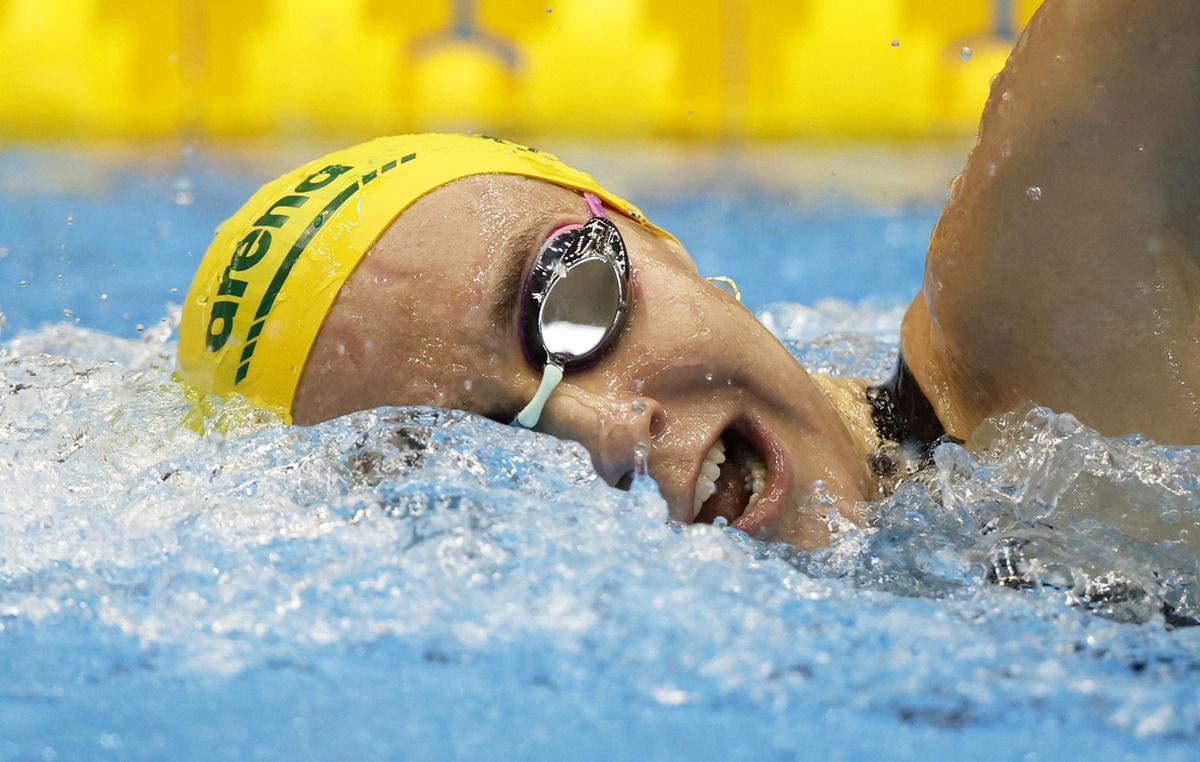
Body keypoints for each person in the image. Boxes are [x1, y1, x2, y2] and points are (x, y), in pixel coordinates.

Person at [177, 0, 1200, 549]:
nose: (608, 433)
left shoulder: (1049, 320)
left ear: (657, 240)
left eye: (571, 306)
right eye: (477, 451)